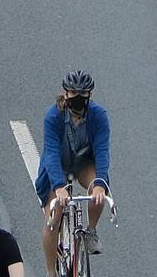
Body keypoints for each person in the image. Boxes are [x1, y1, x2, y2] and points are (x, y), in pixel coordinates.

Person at [34, 72, 111, 269]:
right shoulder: (53, 116)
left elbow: (102, 151)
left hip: (83, 163)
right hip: (58, 165)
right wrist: (58, 186)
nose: (78, 97)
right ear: (66, 93)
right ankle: (51, 272)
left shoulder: (99, 116)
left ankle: (91, 231)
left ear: (89, 95)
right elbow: (51, 153)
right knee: (53, 218)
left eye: (82, 94)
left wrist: (100, 184)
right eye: (73, 93)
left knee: (98, 192)